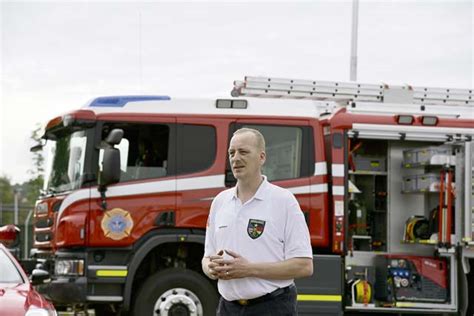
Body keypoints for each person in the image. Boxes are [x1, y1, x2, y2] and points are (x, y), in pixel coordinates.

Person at [202, 128, 313, 316]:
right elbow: (207, 257)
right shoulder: (219, 202)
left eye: (243, 152)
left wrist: (249, 269)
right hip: (228, 308)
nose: (235, 158)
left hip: (272, 307)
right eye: (231, 153)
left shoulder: (284, 201)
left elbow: (304, 266)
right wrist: (211, 269)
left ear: (262, 157)